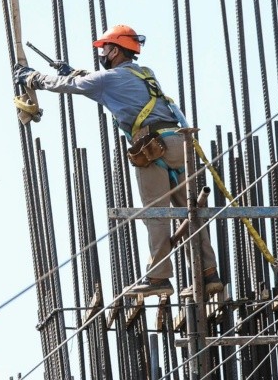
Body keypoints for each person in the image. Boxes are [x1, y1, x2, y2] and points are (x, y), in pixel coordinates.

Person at [13, 24, 223, 298]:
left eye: (104, 49)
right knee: (191, 211)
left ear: (114, 50)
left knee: (156, 214)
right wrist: (77, 71)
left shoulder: (107, 79)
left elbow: (70, 86)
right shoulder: (145, 73)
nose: (102, 53)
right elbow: (107, 83)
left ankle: (159, 276)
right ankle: (209, 275)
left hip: (152, 147)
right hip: (179, 143)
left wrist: (34, 78)